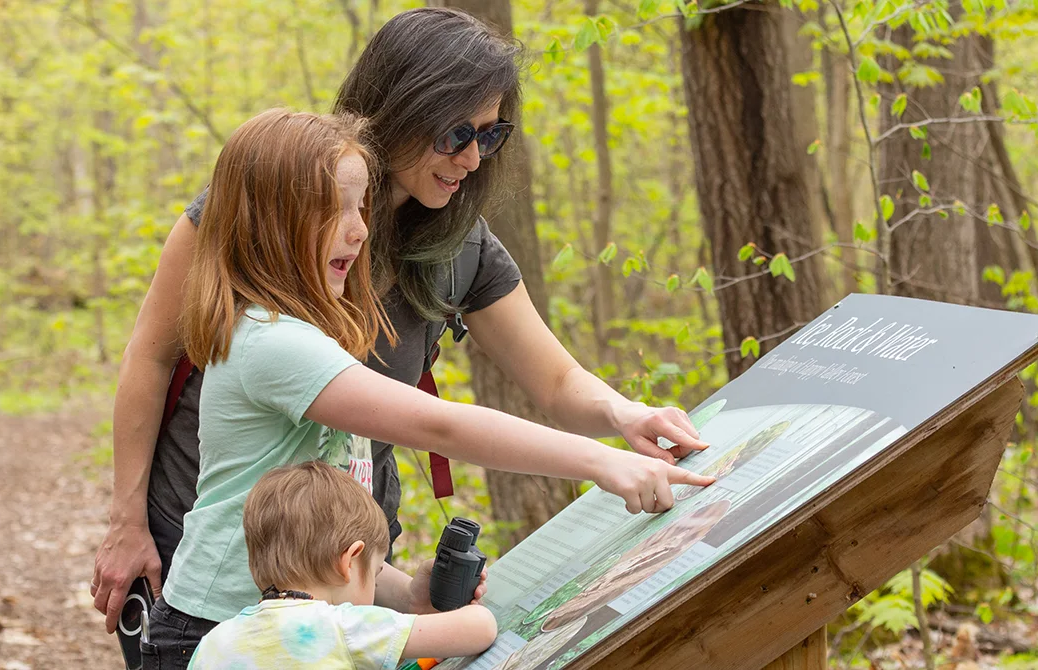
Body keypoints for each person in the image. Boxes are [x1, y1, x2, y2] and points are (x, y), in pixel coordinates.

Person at [93, 4, 710, 650]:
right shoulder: (267, 225)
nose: (473, 158)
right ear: (403, 109)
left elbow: (555, 380)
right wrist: (126, 522)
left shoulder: (458, 245)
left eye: (490, 136)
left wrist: (622, 415)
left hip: (337, 578)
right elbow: (152, 357)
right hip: (219, 586)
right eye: (456, 133)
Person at [190, 461, 497, 669]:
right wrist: (461, 602)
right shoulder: (347, 627)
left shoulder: (214, 642)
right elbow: (481, 628)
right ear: (349, 561)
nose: (374, 586)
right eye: (375, 573)